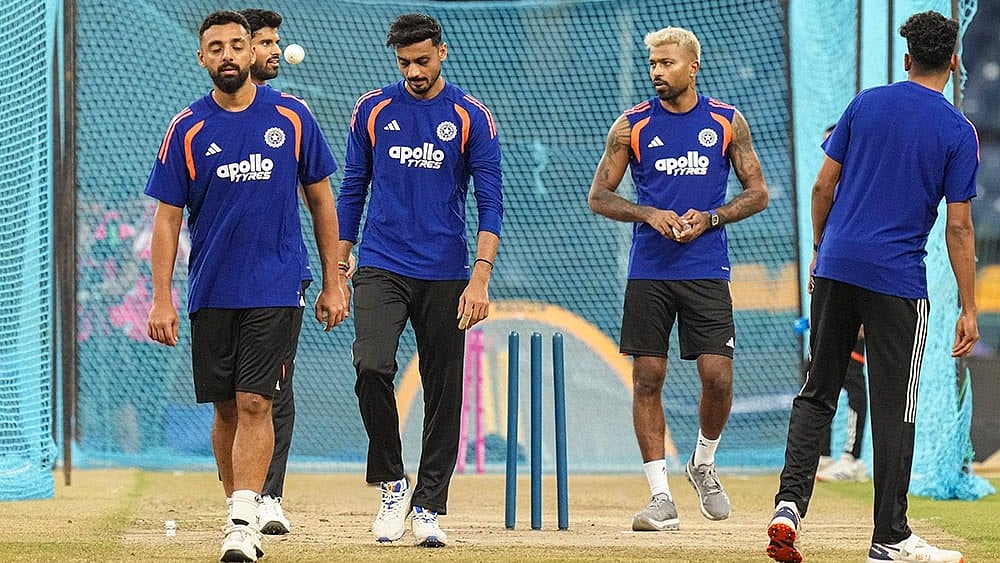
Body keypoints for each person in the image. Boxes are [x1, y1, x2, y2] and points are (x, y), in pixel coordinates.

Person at [767, 11, 978, 563]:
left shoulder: (864, 102)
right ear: (953, 62)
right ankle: (889, 538)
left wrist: (821, 247)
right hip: (897, 282)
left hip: (836, 267)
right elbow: (958, 226)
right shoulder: (958, 131)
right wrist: (970, 308)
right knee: (894, 408)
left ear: (906, 59)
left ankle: (788, 506)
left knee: (818, 389)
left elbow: (822, 187)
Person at [145, 10, 349, 562]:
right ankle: (238, 501)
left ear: (250, 52)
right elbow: (166, 219)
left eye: (238, 44)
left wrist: (334, 281)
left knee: (257, 400)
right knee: (226, 410)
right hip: (210, 290)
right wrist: (161, 297)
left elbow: (322, 200)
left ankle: (241, 523)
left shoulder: (293, 116)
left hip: (276, 286)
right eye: (218, 47)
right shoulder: (187, 127)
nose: (229, 54)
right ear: (203, 58)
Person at [587, 26, 769, 532]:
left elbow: (758, 193)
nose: (657, 72)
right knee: (648, 379)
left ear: (693, 66)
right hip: (649, 272)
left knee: (717, 377)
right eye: (653, 65)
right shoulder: (631, 125)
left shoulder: (727, 121)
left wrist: (711, 217)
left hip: (707, 269)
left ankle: (703, 463)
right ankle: (660, 497)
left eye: (667, 63)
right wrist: (648, 214)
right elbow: (599, 196)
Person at [336, 13, 503, 547]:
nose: (413, 71)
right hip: (381, 263)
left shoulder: (471, 116)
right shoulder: (372, 109)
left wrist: (480, 279)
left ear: (443, 54)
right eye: (404, 62)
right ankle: (391, 482)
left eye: (422, 61)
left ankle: (429, 506)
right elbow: (351, 190)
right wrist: (339, 268)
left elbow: (491, 202)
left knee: (443, 392)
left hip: (448, 273)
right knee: (370, 366)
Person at [814, 124, 869, 484]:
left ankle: (852, 457)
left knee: (852, 378)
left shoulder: (860, 191)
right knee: (816, 367)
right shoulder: (839, 193)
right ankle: (822, 454)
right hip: (836, 276)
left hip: (858, 283)